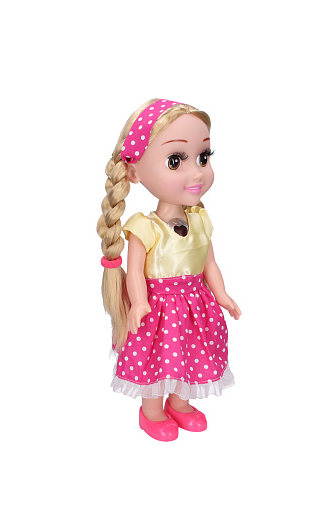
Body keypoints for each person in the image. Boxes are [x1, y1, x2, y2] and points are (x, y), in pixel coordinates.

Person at [97, 99, 241, 441]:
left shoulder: (200, 219)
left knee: (192, 352)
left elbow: (209, 262)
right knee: (158, 358)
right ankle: (152, 411)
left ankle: (180, 403)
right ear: (134, 172)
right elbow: (135, 272)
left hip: (196, 305)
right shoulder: (143, 228)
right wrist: (139, 302)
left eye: (203, 157)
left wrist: (221, 294)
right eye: (175, 161)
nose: (197, 172)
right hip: (158, 308)